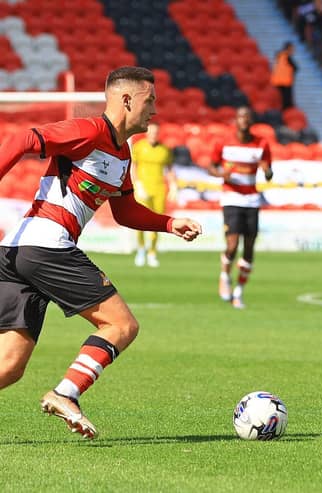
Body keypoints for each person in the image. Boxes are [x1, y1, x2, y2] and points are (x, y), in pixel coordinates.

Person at [0, 66, 202, 439]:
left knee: (9, 366)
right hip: (46, 245)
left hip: (18, 251)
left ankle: (65, 393)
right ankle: (65, 393)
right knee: (121, 325)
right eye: (150, 100)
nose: (155, 110)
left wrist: (169, 223)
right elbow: (22, 138)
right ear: (127, 100)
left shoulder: (122, 154)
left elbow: (125, 212)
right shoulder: (88, 130)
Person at [207, 107, 273, 309]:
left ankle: (239, 292)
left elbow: (269, 173)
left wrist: (267, 170)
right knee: (233, 245)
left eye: (248, 117)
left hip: (252, 200)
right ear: (235, 120)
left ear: (251, 121)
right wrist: (221, 175)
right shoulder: (223, 142)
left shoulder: (261, 143)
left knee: (250, 248)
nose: (244, 120)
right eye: (241, 117)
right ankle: (225, 276)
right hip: (231, 198)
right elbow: (211, 166)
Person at [131, 122, 177, 267]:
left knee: (157, 222)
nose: (153, 135)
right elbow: (133, 167)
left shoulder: (164, 150)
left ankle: (152, 252)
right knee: (140, 221)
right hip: (143, 189)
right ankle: (140, 249)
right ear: (146, 133)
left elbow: (169, 169)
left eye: (156, 132)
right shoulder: (139, 147)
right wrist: (137, 184)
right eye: (151, 132)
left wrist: (174, 185)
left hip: (159, 189)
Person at [271, 41, 298, 110]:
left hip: (277, 80)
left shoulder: (279, 56)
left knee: (282, 97)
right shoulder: (287, 56)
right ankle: (287, 109)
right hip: (285, 81)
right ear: (288, 48)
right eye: (292, 49)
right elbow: (296, 68)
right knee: (286, 98)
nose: (293, 51)